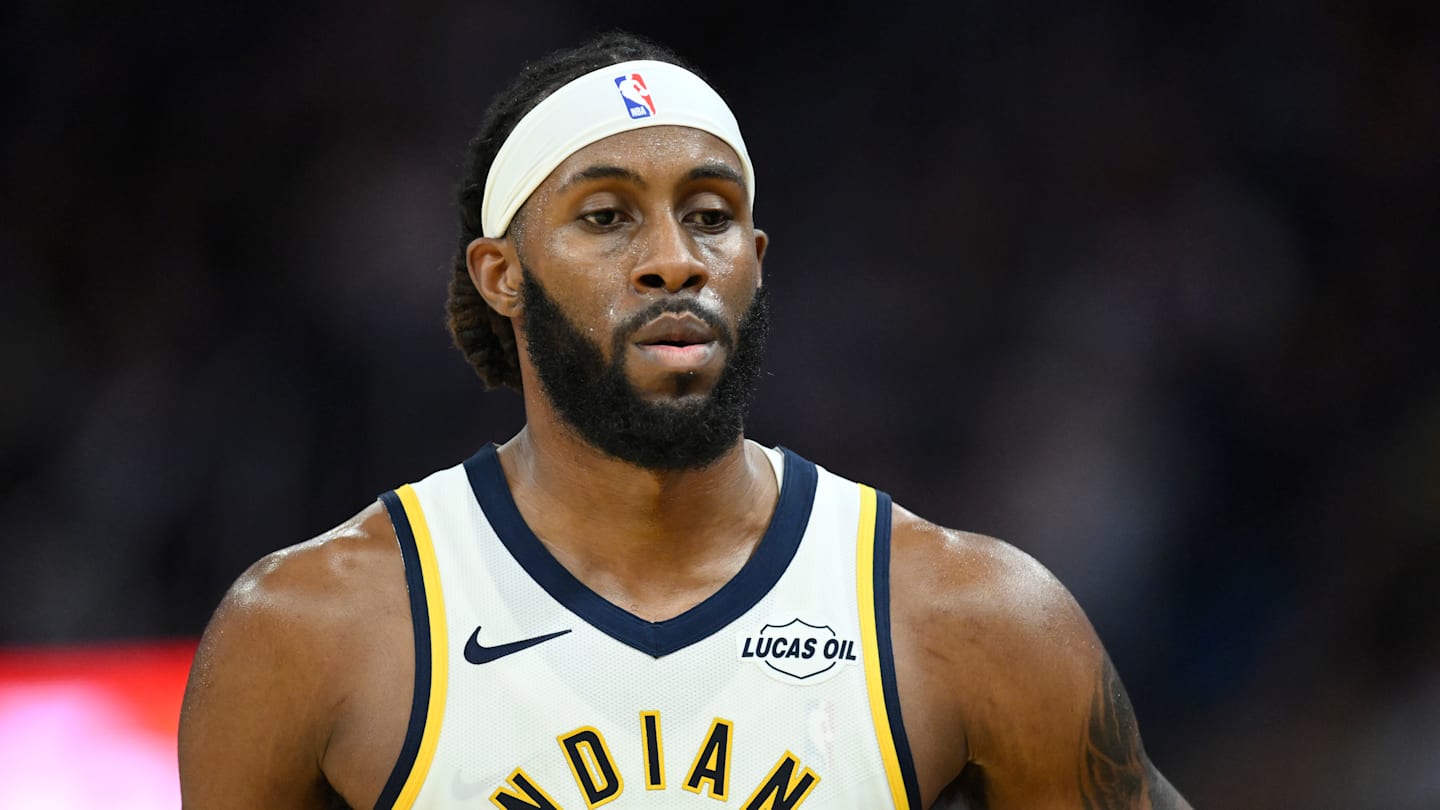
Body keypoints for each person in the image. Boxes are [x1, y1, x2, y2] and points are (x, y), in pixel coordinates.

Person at [178, 32, 1191, 810]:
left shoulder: (976, 620)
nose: (674, 257)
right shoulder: (306, 634)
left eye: (708, 214)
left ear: (755, 256)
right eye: (607, 216)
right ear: (502, 276)